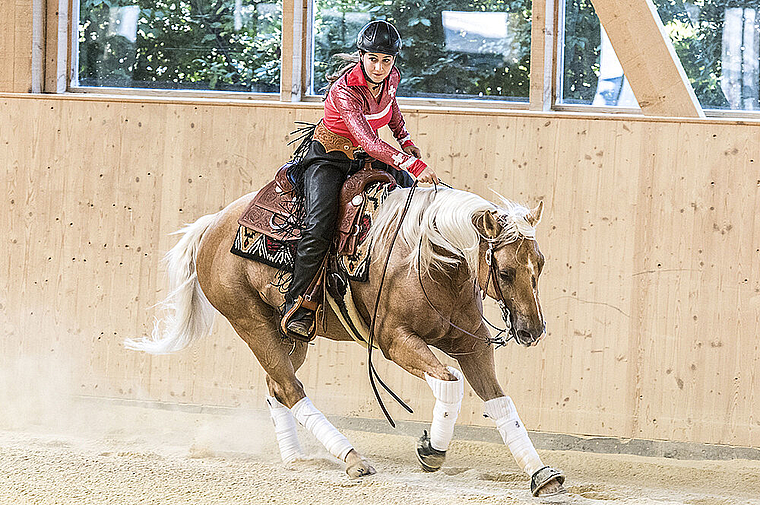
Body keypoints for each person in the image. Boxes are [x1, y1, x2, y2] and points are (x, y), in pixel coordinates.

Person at [281, 19, 439, 339]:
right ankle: (297, 302)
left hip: (366, 158)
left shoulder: (391, 78)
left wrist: (405, 139)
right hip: (329, 157)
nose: (380, 67)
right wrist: (413, 164)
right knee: (319, 224)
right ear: (361, 56)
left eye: (386, 60)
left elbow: (390, 108)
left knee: (408, 200)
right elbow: (368, 141)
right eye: (372, 59)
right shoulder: (345, 91)